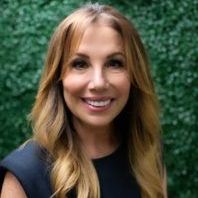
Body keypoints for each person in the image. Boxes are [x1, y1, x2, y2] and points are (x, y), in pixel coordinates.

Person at [0, 3, 167, 198]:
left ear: (135, 76)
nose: (98, 83)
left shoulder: (147, 153)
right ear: (58, 78)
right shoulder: (25, 177)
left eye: (115, 63)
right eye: (80, 64)